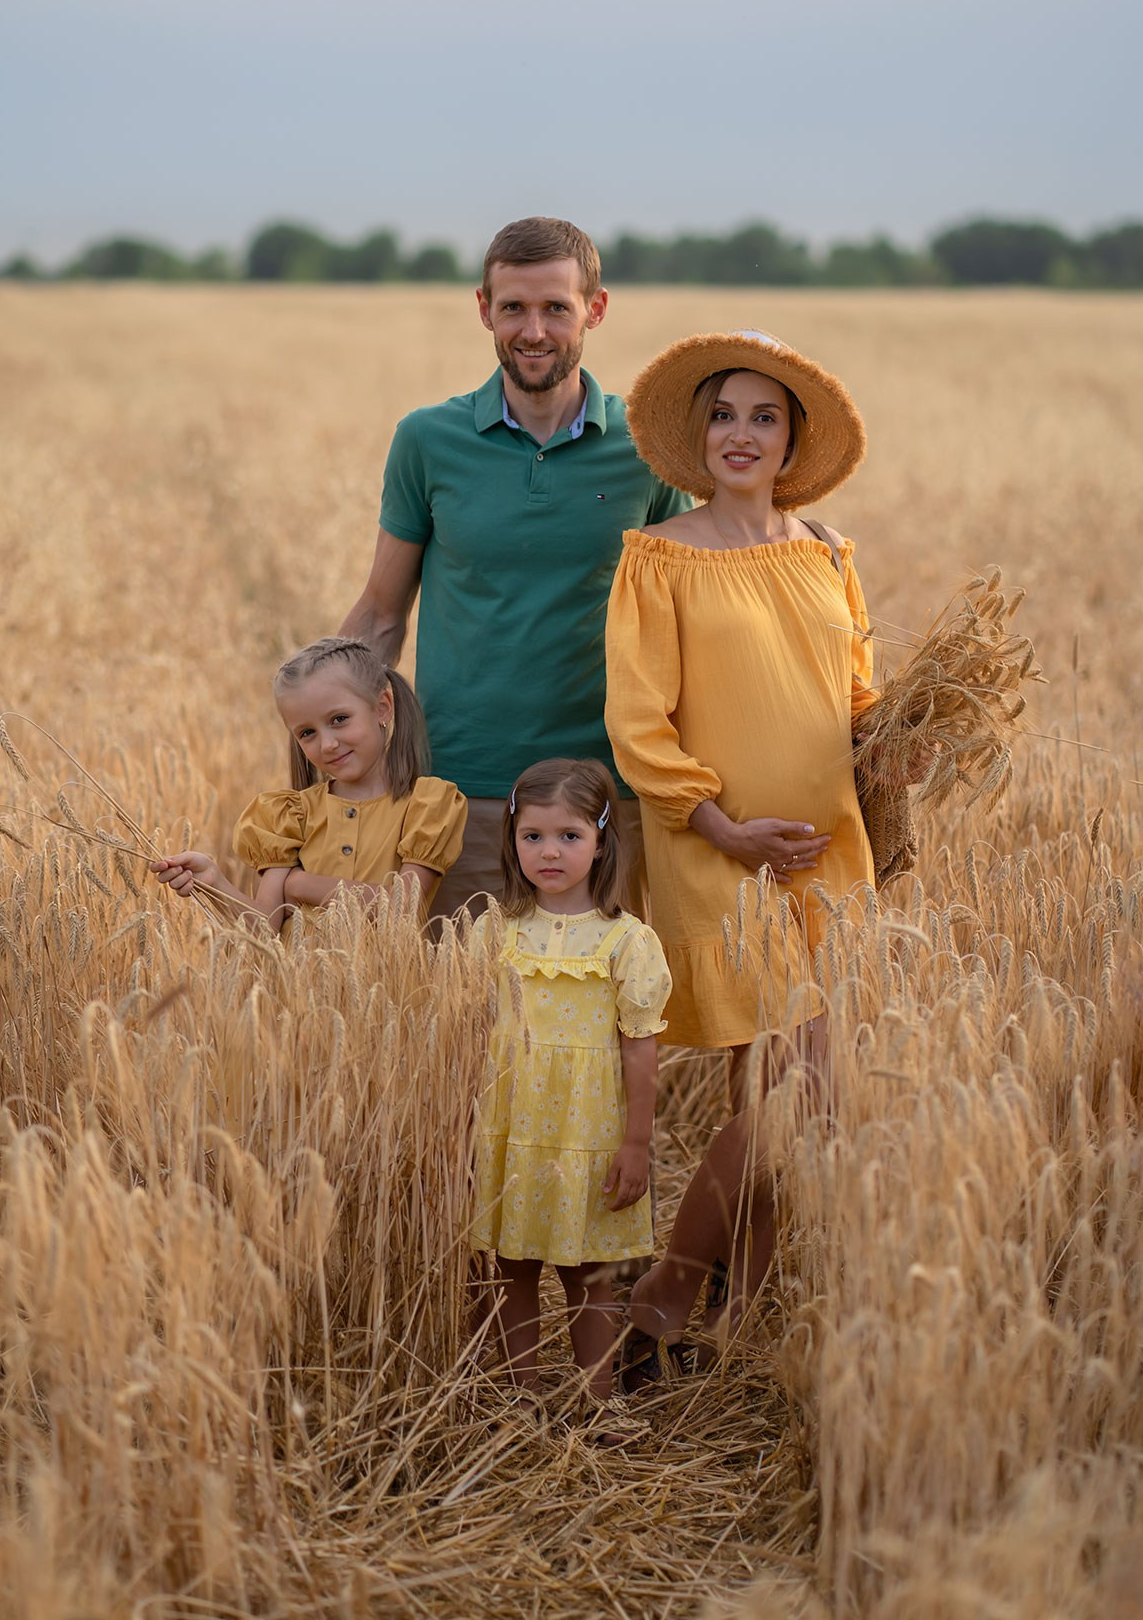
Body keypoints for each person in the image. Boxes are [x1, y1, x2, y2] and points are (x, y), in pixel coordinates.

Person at [603, 328, 874, 1356]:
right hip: (715, 850)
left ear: (792, 439)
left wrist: (899, 743)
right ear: (699, 435)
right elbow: (638, 719)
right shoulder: (661, 559)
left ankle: (741, 1309)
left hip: (825, 850)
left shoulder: (828, 554)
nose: (740, 434)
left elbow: (854, 696)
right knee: (796, 1084)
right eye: (722, 414)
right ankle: (669, 1289)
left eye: (764, 417)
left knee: (774, 1092)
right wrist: (718, 823)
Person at [338, 216, 687, 917]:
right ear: (483, 310)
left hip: (606, 794)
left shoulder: (647, 447)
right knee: (463, 1015)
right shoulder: (427, 441)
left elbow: (688, 615)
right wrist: (328, 762)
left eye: (556, 307)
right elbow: (381, 613)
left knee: (597, 1013)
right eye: (513, 308)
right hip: (458, 793)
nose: (534, 330)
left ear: (595, 308)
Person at [470, 759, 671, 1429]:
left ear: (603, 839)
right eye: (533, 837)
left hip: (590, 1131)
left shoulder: (627, 941)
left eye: (569, 836)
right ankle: (520, 1398)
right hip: (511, 1124)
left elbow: (640, 1047)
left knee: (589, 1274)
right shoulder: (497, 933)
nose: (550, 852)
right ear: (512, 840)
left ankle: (597, 1400)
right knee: (513, 1264)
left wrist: (637, 1143)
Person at [151, 636, 467, 927]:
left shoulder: (424, 807)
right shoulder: (288, 817)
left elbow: (401, 908)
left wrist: (300, 884)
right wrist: (214, 880)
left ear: (382, 708)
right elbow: (264, 927)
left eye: (339, 720)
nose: (327, 744)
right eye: (307, 733)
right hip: (306, 987)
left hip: (391, 986)